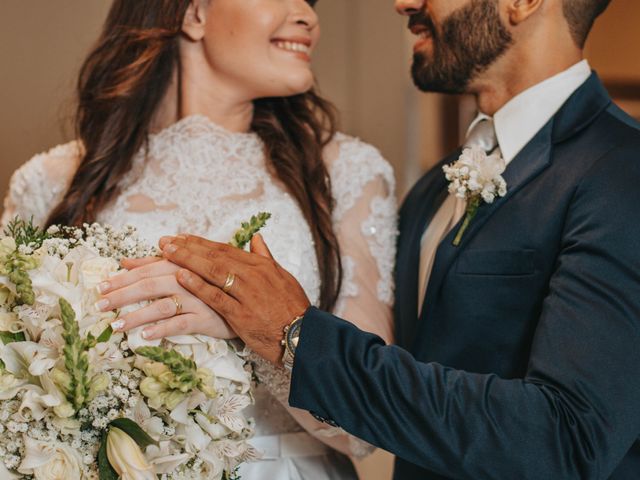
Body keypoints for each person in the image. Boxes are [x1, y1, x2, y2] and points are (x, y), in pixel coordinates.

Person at [153, 0, 640, 478]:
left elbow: (568, 438)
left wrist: (295, 335)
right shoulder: (433, 191)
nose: (403, 3)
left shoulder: (622, 171)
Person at [1, 0, 399, 478]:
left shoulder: (347, 173)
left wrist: (251, 328)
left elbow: (367, 425)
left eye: (311, 2)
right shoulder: (52, 181)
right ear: (194, 14)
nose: (309, 16)